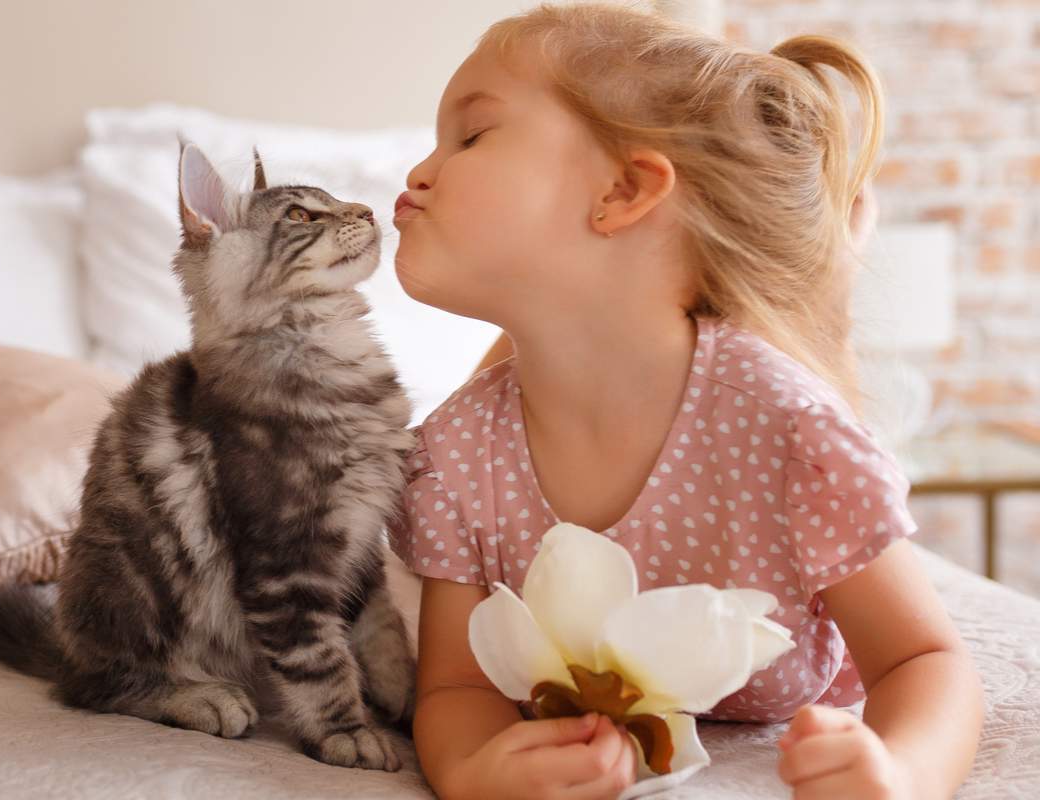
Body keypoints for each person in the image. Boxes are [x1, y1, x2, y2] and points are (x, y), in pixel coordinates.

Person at [386, 4, 982, 799]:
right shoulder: (453, 456)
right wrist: (475, 769)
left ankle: (829, 283)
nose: (418, 172)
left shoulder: (786, 429)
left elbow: (925, 662)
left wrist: (903, 774)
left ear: (625, 189)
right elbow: (457, 692)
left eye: (471, 136)